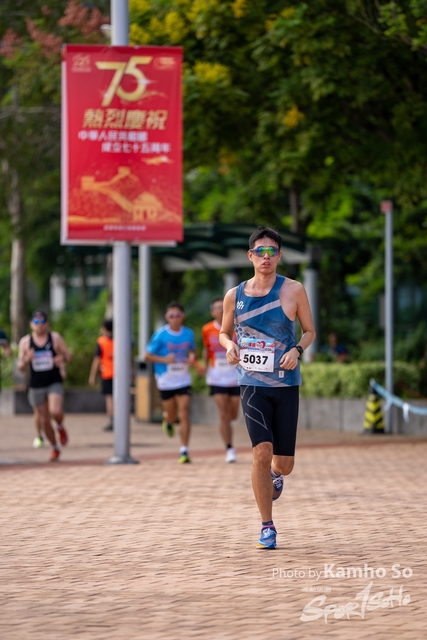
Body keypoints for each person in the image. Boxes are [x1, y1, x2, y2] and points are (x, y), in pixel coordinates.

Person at [220, 226, 316, 549]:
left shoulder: (294, 290)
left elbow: (309, 331)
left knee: (284, 463)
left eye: (271, 251)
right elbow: (224, 332)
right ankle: (267, 527)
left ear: (279, 255)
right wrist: (229, 346)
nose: (266, 257)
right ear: (250, 256)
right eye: (260, 252)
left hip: (286, 383)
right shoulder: (234, 295)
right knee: (261, 452)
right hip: (251, 383)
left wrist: (297, 350)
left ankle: (276, 475)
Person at [145, 302, 197, 464]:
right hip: (165, 378)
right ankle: (167, 419)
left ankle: (184, 450)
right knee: (172, 414)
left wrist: (191, 359)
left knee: (184, 412)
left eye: (178, 315)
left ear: (183, 316)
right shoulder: (160, 334)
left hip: (183, 378)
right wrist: (165, 360)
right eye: (171, 315)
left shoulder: (188, 333)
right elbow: (147, 355)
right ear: (167, 317)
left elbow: (192, 351)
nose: (175, 318)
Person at [17, 310, 72, 461]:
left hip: (53, 381)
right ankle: (55, 447)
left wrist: (62, 359)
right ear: (31, 324)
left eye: (42, 322)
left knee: (55, 410)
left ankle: (60, 427)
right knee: (44, 420)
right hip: (36, 385)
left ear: (47, 324)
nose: (39, 325)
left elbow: (68, 356)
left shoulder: (55, 338)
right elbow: (20, 367)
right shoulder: (25, 342)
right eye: (36, 322)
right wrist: (26, 360)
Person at [201, 297, 239, 463]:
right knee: (223, 413)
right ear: (212, 312)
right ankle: (229, 448)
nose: (221, 310)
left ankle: (227, 426)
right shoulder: (207, 329)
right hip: (216, 377)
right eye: (217, 308)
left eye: (223, 307)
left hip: (236, 376)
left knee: (233, 415)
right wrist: (204, 366)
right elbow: (206, 348)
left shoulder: (238, 326)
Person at [89, 319, 114, 432]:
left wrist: (92, 376)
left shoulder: (101, 341)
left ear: (104, 329)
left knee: (109, 399)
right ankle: (120, 420)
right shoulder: (120, 340)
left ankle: (112, 421)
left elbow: (97, 360)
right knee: (119, 398)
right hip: (119, 374)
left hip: (107, 373)